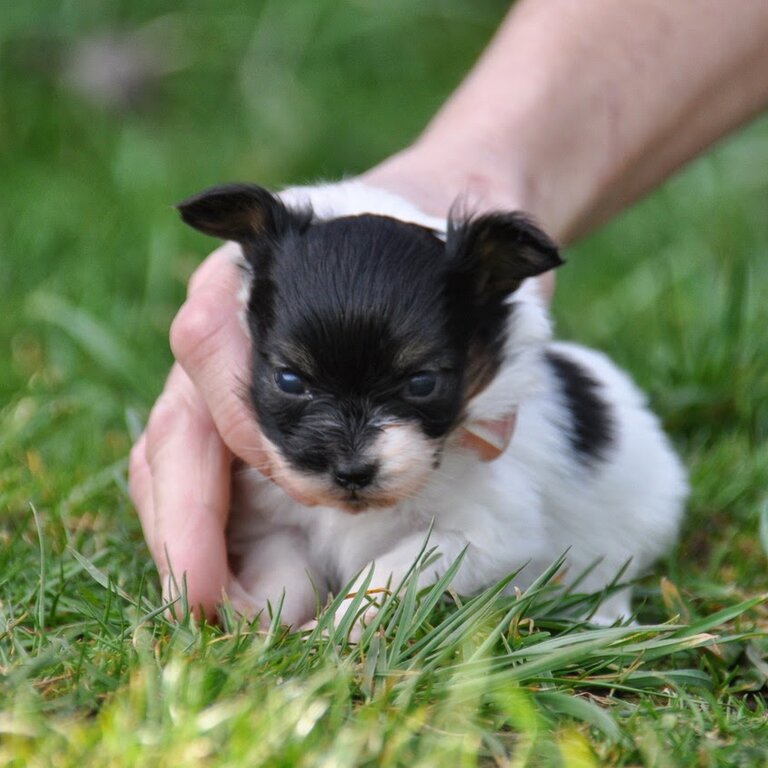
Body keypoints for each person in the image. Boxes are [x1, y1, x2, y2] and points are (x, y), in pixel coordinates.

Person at [129, 0, 768, 620]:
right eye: (292, 384)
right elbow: (277, 530)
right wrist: (275, 592)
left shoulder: (496, 449)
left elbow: (491, 536)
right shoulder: (278, 435)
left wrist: (358, 611)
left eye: (420, 384)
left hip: (605, 525)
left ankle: (601, 595)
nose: (351, 459)